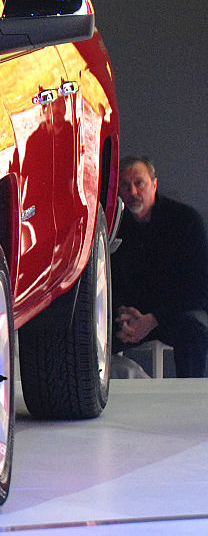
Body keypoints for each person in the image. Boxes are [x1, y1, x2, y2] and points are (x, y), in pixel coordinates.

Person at [112, 155, 208, 377]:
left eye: (139, 183)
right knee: (87, 334)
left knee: (194, 330)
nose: (133, 192)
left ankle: (189, 396)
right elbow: (106, 279)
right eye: (125, 186)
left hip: (173, 312)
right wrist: (121, 312)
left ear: (154, 185)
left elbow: (200, 288)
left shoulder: (185, 220)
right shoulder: (114, 225)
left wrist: (153, 319)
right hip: (130, 316)